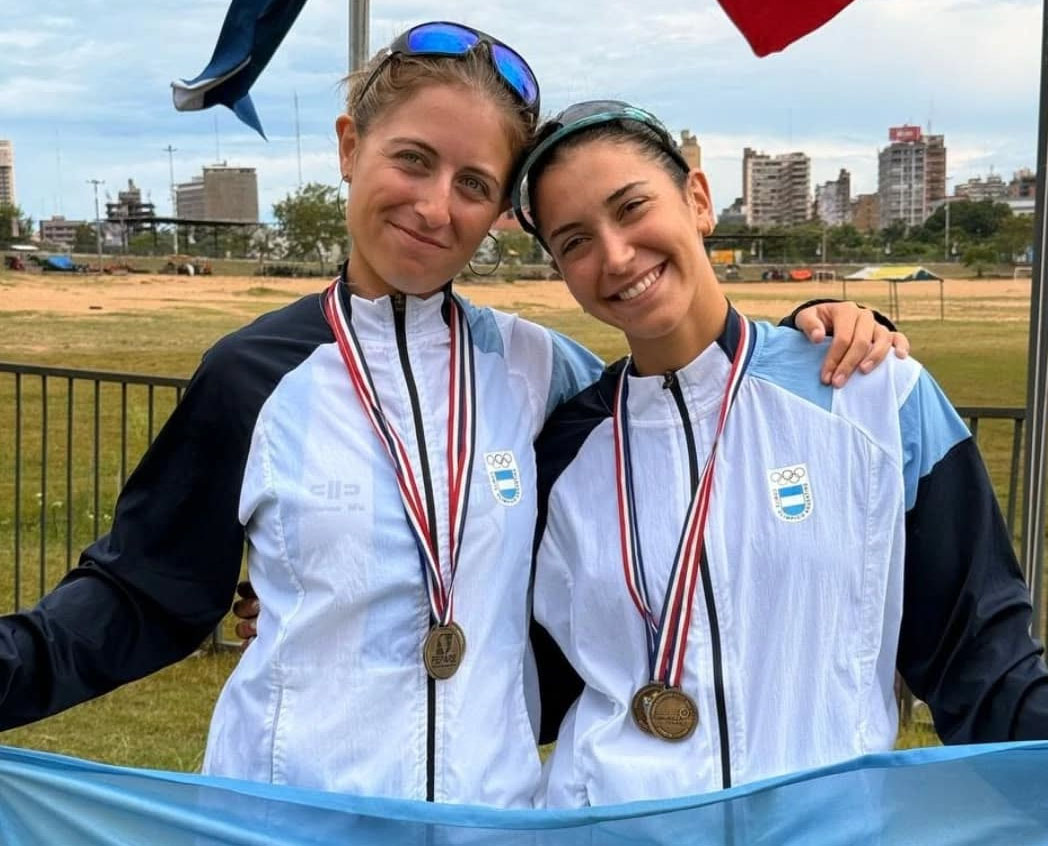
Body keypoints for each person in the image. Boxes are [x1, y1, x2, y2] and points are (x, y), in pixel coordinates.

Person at [0, 26, 899, 805]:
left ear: (500, 215)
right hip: (287, 817)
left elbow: (685, 397)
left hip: (492, 820)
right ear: (351, 147)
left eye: (474, 183)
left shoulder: (539, 368)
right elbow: (140, 596)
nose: (436, 207)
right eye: (413, 160)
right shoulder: (253, 377)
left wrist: (812, 333)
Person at [512, 101, 1048, 807]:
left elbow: (981, 666)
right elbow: (516, 680)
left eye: (632, 207)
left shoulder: (876, 397)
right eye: (574, 242)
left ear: (698, 199)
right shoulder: (563, 447)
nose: (616, 255)